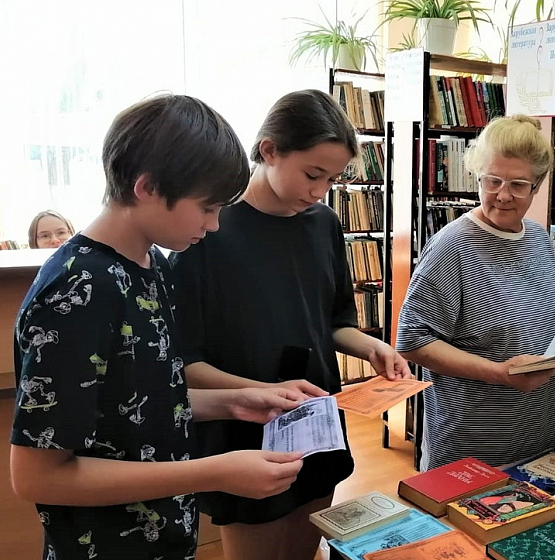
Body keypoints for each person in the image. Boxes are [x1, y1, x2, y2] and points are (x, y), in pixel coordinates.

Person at [9, 94, 314, 560]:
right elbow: (38, 475)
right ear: (147, 187)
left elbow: (137, 402)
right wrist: (214, 472)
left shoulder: (153, 264)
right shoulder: (79, 290)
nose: (214, 225)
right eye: (207, 208)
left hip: (165, 534)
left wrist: (237, 402)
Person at [170, 89, 411, 560]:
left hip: (315, 419)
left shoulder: (324, 224)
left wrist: (372, 348)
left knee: (306, 545)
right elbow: (185, 363)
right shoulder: (206, 229)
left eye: (333, 180)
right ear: (269, 150)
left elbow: (334, 322)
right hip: (242, 429)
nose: (320, 191)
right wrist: (261, 393)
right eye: (313, 174)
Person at [396, 115, 555, 471]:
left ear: (537, 186)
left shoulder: (538, 239)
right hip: (471, 448)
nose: (503, 195)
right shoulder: (452, 246)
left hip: (541, 437)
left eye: (518, 185)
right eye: (492, 180)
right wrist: (498, 372)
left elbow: (544, 334)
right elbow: (412, 341)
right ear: (477, 175)